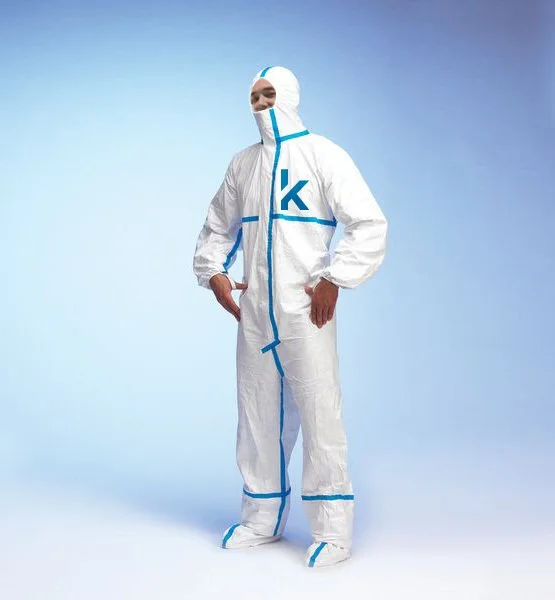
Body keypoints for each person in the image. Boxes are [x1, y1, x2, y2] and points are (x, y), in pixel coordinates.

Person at [193, 66, 387, 568]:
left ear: (290, 96)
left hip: (305, 311)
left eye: (269, 94)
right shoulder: (243, 164)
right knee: (257, 415)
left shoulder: (324, 155)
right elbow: (217, 227)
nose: (261, 104)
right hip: (256, 313)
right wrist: (214, 273)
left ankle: (333, 531)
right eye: (254, 97)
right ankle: (261, 519)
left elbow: (368, 223)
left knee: (321, 415)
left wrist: (335, 279)